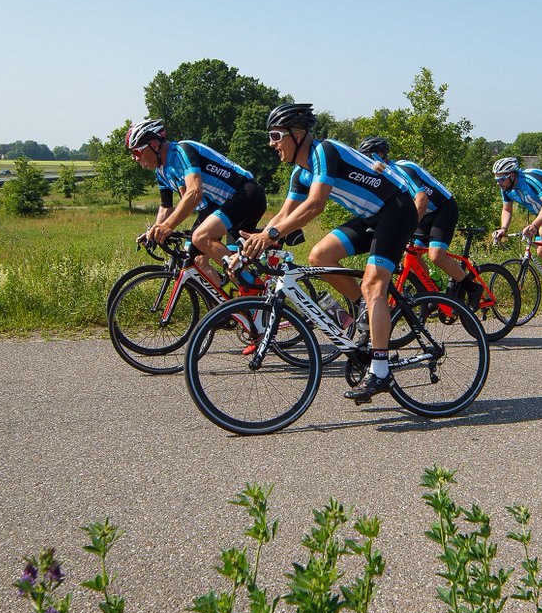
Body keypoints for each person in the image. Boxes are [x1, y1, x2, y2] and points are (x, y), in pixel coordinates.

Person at [239, 103, 419, 403]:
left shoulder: (324, 152)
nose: (271, 144)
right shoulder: (301, 171)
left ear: (297, 134)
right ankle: (363, 310)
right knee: (319, 256)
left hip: (398, 209)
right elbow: (285, 213)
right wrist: (256, 241)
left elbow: (315, 204)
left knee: (374, 284)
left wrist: (271, 235)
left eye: (275, 136)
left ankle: (381, 370)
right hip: (372, 215)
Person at [126, 118, 266, 287]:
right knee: (194, 259)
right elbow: (166, 207)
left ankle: (256, 292)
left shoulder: (181, 151)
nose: (135, 158)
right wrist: (155, 230)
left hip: (245, 194)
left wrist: (167, 226)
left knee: (201, 237)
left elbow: (194, 193)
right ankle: (228, 309)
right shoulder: (161, 171)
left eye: (137, 152)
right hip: (219, 205)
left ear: (154, 145)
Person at [356, 135, 480, 304]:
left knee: (436, 255)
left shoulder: (402, 169)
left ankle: (472, 287)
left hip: (443, 208)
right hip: (424, 214)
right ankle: (431, 293)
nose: (367, 162)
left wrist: (405, 229)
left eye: (368, 157)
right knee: (410, 253)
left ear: (381, 154)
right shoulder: (383, 177)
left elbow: (422, 200)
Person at [491, 157, 542, 287]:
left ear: (512, 175)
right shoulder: (507, 188)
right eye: (496, 180)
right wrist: (503, 228)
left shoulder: (531, 179)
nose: (498, 183)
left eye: (501, 179)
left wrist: (534, 225)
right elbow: (507, 209)